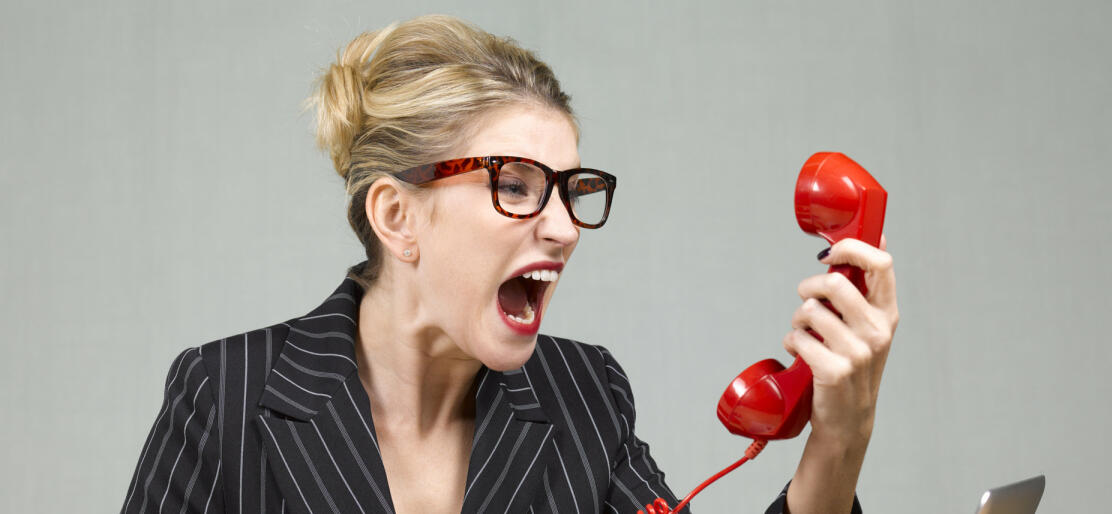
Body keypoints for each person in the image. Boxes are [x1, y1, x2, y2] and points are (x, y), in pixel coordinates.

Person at [121, 14, 898, 514]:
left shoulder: (584, 396)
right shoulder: (225, 396)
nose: (564, 228)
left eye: (572, 190)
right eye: (517, 186)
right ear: (398, 217)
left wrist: (838, 437)